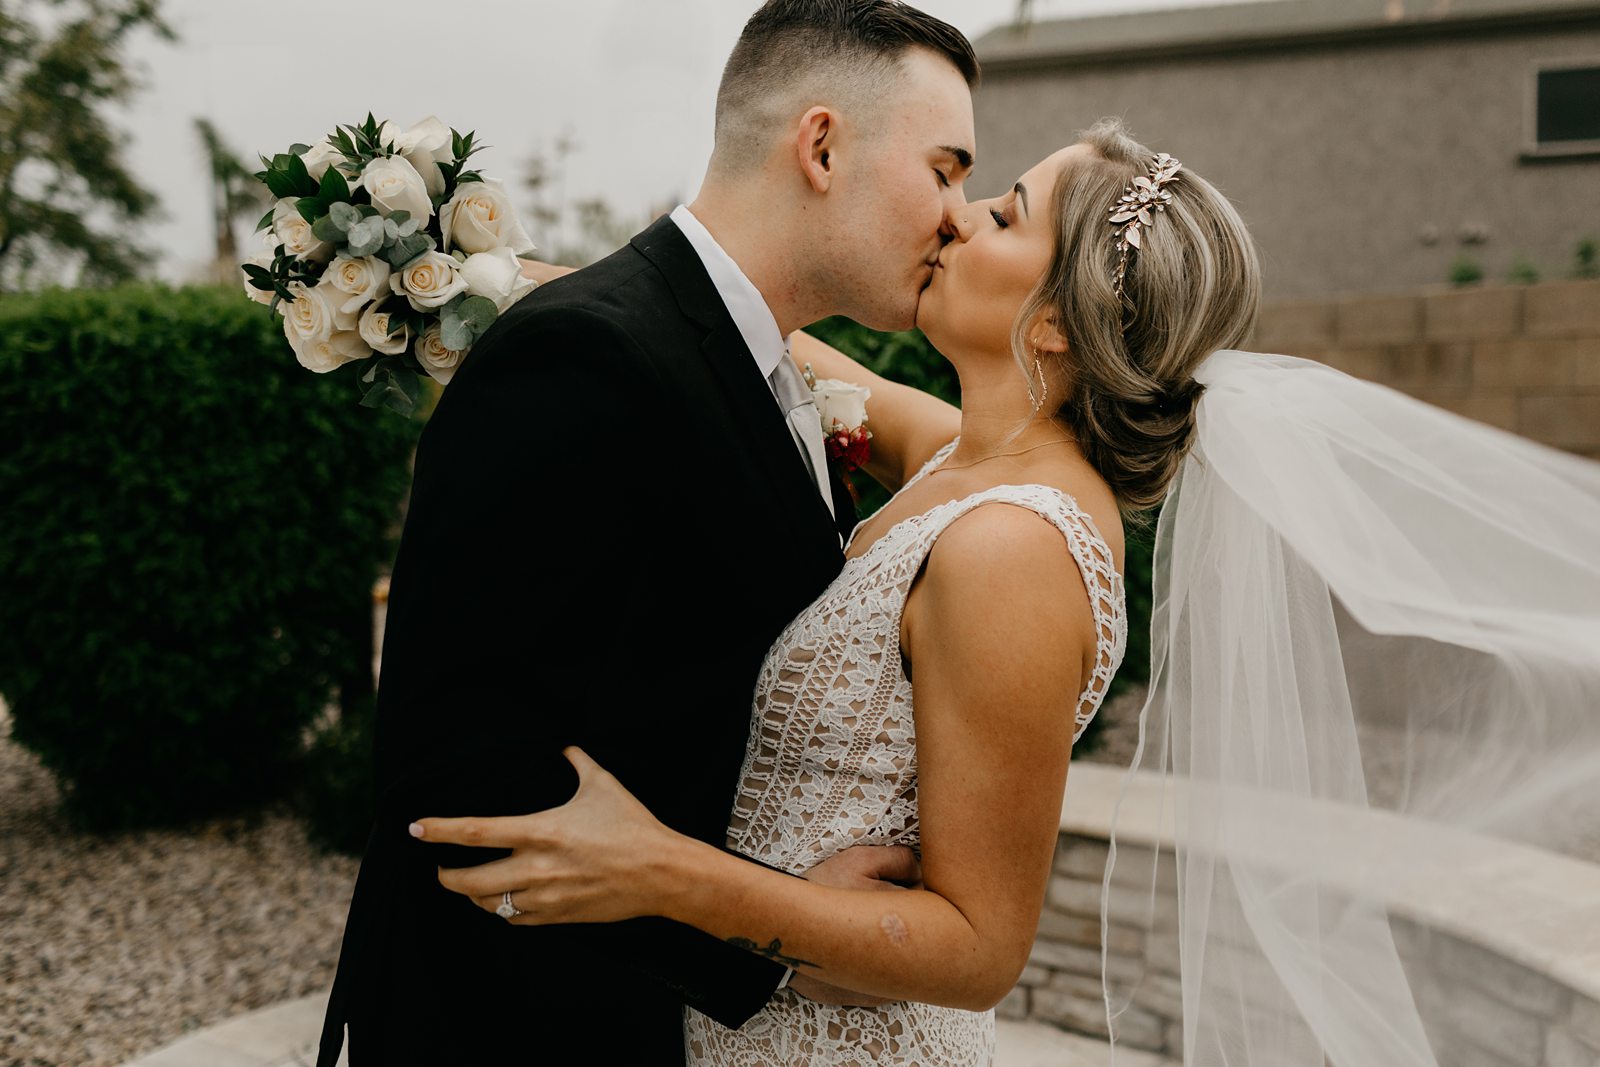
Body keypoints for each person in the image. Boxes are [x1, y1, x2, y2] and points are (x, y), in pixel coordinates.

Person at [418, 119, 1600, 1065]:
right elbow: (751, 338)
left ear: (1051, 327)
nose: (953, 213)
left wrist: (660, 868)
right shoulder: (963, 455)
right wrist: (494, 280)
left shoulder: (1013, 549)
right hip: (751, 1010)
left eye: (1003, 210)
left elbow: (980, 945)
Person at [314, 3, 982, 1065]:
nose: (959, 214)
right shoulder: (585, 356)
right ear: (820, 145)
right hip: (525, 1031)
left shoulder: (765, 364)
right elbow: (459, 782)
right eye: (944, 168)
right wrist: (768, 932)